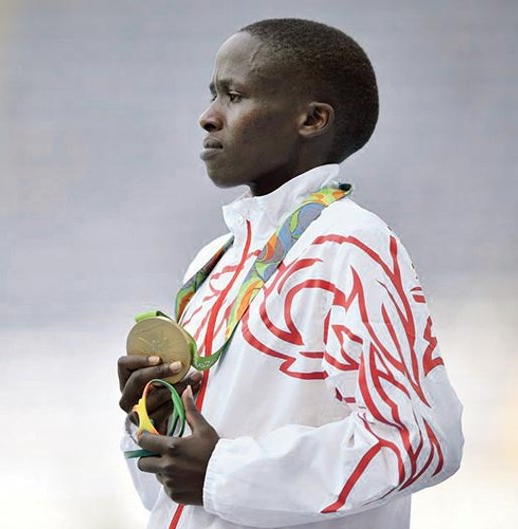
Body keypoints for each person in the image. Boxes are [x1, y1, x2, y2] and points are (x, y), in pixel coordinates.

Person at [117, 18, 463, 529]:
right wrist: (157, 423)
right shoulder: (215, 261)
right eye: (213, 95)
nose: (208, 117)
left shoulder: (349, 245)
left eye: (234, 96)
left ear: (313, 119)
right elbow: (175, 499)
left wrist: (222, 472)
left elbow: (418, 440)